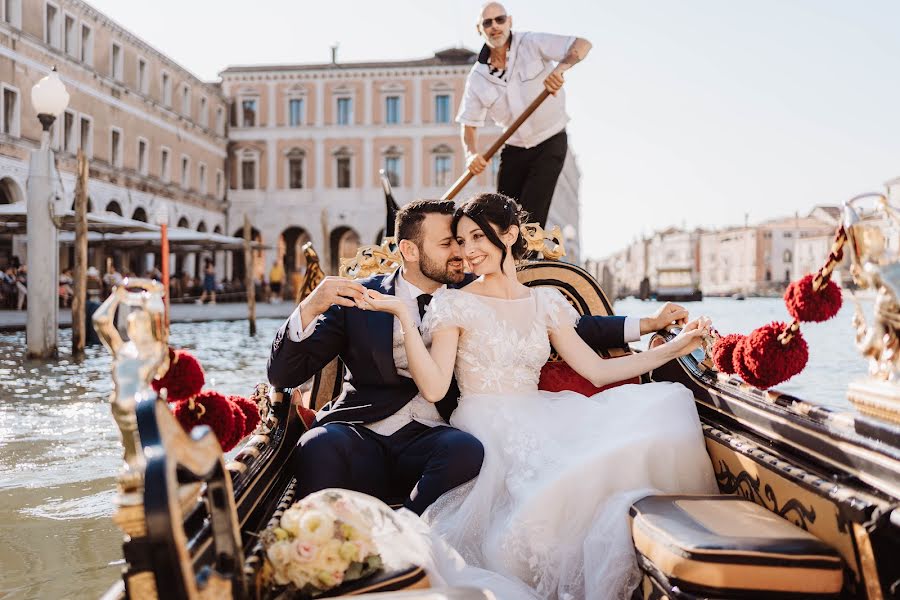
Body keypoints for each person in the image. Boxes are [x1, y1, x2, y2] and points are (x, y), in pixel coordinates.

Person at [363, 193, 718, 600]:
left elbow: (597, 370)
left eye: (478, 237)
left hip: (542, 415)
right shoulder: (453, 303)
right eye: (461, 241)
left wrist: (671, 349)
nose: (468, 251)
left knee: (664, 408)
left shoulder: (546, 302)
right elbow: (435, 388)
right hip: (484, 428)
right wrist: (405, 318)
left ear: (510, 235)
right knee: (539, 505)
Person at [267, 199, 690, 517]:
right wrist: (309, 307)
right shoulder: (358, 296)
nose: (462, 253)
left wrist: (647, 324)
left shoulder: (471, 293)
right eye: (449, 242)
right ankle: (316, 548)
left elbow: (572, 327)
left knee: (467, 451)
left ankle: (408, 529)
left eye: (467, 240)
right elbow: (284, 373)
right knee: (318, 443)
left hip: (435, 434)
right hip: (365, 430)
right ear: (410, 251)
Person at [459, 2, 591, 228]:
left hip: (550, 140)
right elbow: (468, 123)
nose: (495, 26)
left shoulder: (531, 43)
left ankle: (529, 260)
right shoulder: (478, 77)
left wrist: (560, 69)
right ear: (479, 29)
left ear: (509, 21)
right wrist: (471, 154)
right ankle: (508, 261)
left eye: (500, 19)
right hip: (514, 147)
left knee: (530, 217)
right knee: (504, 217)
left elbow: (583, 44)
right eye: (487, 22)